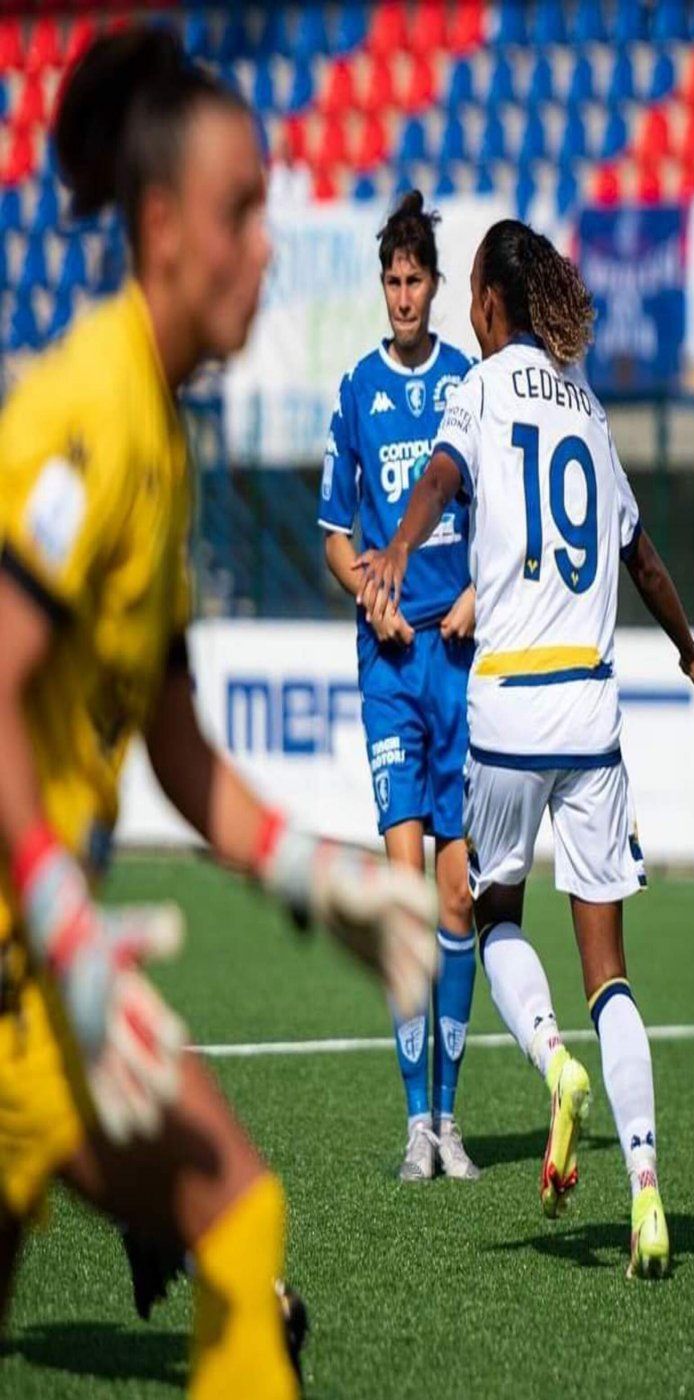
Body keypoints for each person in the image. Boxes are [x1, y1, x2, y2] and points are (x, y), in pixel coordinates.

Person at [0, 29, 437, 1399]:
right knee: (237, 1219)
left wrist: (320, 878)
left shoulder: (159, 427)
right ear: (162, 226)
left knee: (239, 1224)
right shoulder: (88, 411)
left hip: (36, 973)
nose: (267, 245)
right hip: (28, 964)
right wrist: (70, 933)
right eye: (243, 210)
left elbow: (177, 745)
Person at [355, 219, 694, 1279]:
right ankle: (648, 1189)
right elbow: (641, 556)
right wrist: (692, 655)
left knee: (491, 910)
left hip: (509, 709)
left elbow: (438, 481)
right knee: (614, 975)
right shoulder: (589, 409)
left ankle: (554, 1064)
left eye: (467, 287)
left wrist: (399, 543)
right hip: (595, 721)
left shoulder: (479, 386)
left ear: (485, 298)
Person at [319, 192, 480, 1182]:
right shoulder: (357, 390)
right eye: (394, 279)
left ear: (436, 284)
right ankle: (414, 1121)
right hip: (388, 664)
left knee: (461, 894)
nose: (406, 293)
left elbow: (497, 519)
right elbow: (339, 531)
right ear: (382, 285)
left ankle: (453, 1119)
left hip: (460, 663)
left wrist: (474, 594)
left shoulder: (469, 384)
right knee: (409, 888)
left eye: (418, 278)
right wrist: (371, 591)